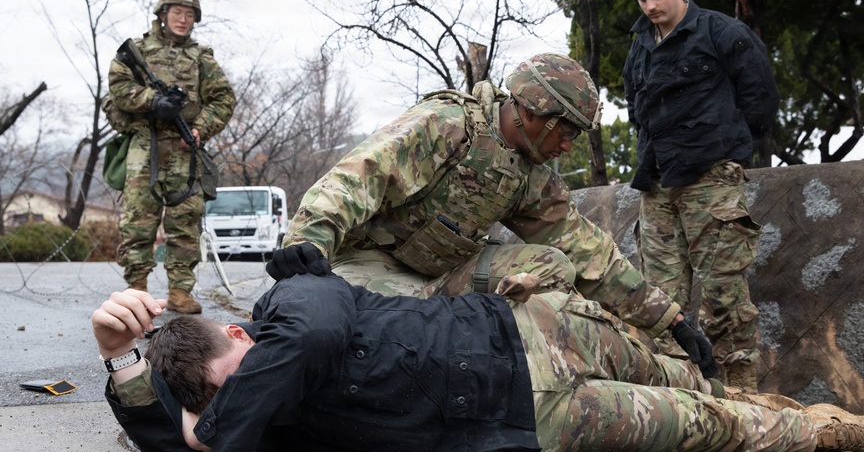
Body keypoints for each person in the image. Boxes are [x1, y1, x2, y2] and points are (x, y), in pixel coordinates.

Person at [92, 270, 864, 452]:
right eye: (222, 399)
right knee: (699, 426)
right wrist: (118, 358)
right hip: (530, 415)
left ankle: (758, 394)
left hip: (533, 326)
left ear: (240, 330)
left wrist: (213, 428)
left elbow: (307, 345)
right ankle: (825, 429)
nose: (246, 396)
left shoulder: (293, 301)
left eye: (236, 374)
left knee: (690, 383)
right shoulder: (265, 422)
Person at [271, 53, 711, 375]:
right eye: (566, 131)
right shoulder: (448, 124)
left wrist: (672, 320)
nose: (567, 146)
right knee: (373, 328)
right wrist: (308, 241)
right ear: (535, 112)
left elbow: (588, 250)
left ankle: (505, 358)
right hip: (370, 264)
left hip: (443, 276)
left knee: (553, 265)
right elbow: (360, 177)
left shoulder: (529, 175)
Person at [623, 0, 780, 391]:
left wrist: (724, 149)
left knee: (723, 292)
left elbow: (761, 100)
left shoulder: (722, 32)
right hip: (657, 185)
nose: (650, 6)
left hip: (711, 180)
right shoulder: (640, 46)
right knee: (658, 299)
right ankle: (673, 392)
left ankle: (739, 393)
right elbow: (635, 105)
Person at [106, 0, 236, 314]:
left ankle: (180, 291)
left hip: (184, 147)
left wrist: (200, 128)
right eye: (177, 12)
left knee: (186, 221)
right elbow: (118, 88)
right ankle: (136, 289)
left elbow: (224, 98)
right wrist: (154, 101)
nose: (182, 19)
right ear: (163, 14)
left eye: (189, 15)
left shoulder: (201, 58)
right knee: (138, 221)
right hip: (145, 145)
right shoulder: (139, 50)